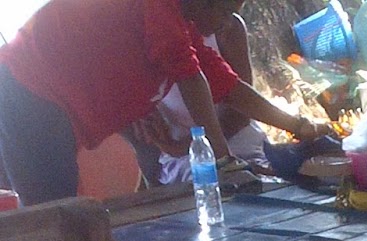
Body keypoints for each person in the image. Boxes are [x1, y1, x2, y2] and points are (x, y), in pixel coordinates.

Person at [0, 0, 326, 207]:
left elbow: (228, 85)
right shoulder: (159, 5)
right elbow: (190, 74)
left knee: (59, 212)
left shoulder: (181, 25)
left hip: (52, 106)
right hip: (28, 90)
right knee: (53, 218)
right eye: (226, 11)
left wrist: (298, 126)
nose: (228, 23)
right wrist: (223, 159)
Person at [127, 11, 266, 188]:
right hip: (184, 160)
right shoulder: (153, 37)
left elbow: (240, 113)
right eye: (223, 12)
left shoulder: (230, 29)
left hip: (242, 143)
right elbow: (144, 126)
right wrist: (166, 142)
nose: (226, 20)